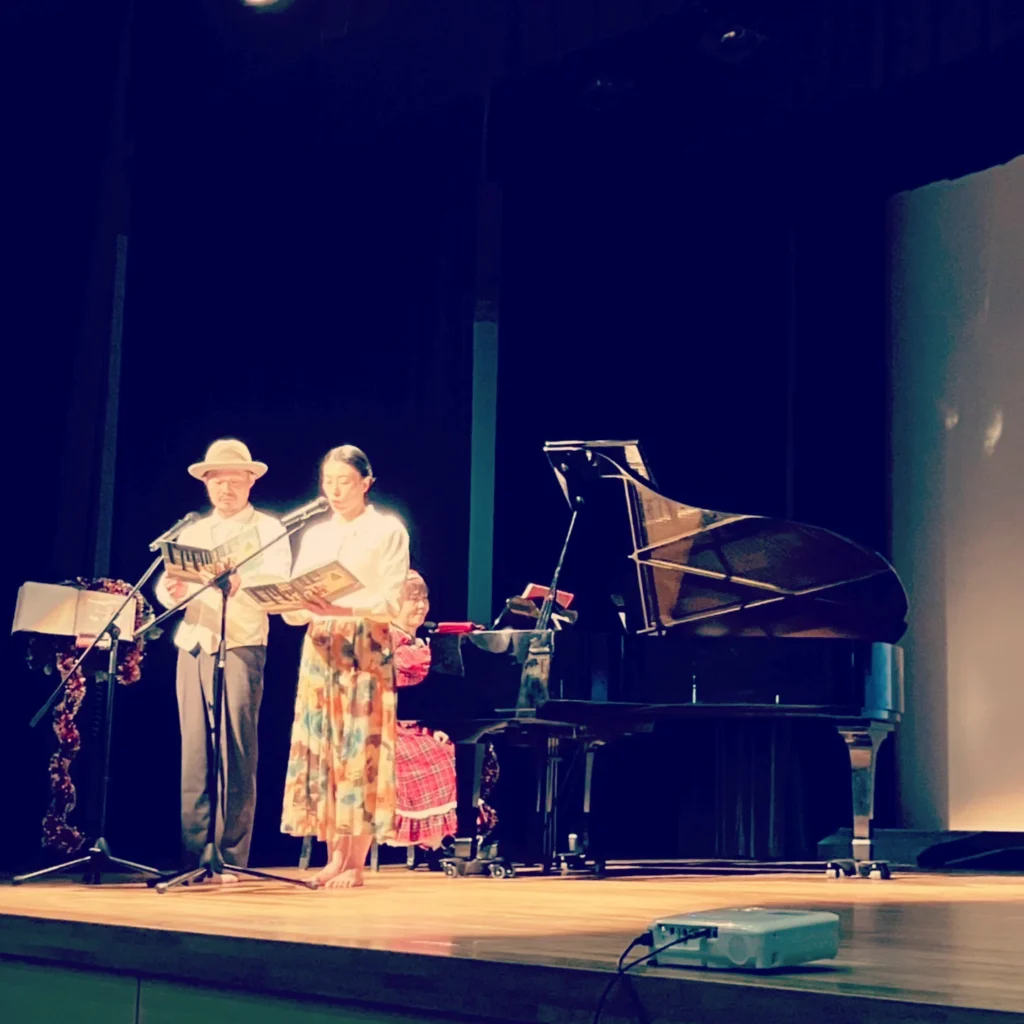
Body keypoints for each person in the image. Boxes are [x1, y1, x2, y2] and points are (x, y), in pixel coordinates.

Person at [154, 438, 291, 875]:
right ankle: (194, 854)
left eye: (234, 481)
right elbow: (168, 586)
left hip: (240, 641)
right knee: (194, 753)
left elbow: (278, 584)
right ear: (206, 484)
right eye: (217, 481)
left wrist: (240, 584)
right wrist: (170, 591)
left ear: (250, 482)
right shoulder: (193, 531)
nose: (225, 489)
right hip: (195, 641)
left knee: (236, 750)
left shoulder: (268, 528)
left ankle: (230, 857)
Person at [280, 445, 409, 889]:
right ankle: (333, 855)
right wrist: (288, 603)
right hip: (320, 647)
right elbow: (297, 605)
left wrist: (341, 607)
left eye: (345, 482)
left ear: (366, 483)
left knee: (359, 750)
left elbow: (390, 601)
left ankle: (355, 861)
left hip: (364, 648)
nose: (334, 491)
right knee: (325, 749)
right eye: (328, 481)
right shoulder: (315, 534)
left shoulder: (387, 529)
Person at [386, 570, 459, 851]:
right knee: (441, 754)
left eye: (424, 598)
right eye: (412, 599)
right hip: (390, 728)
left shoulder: (423, 642)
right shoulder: (389, 642)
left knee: (465, 747)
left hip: (419, 726)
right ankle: (438, 839)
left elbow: (433, 699)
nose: (420, 605)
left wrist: (437, 726)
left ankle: (454, 835)